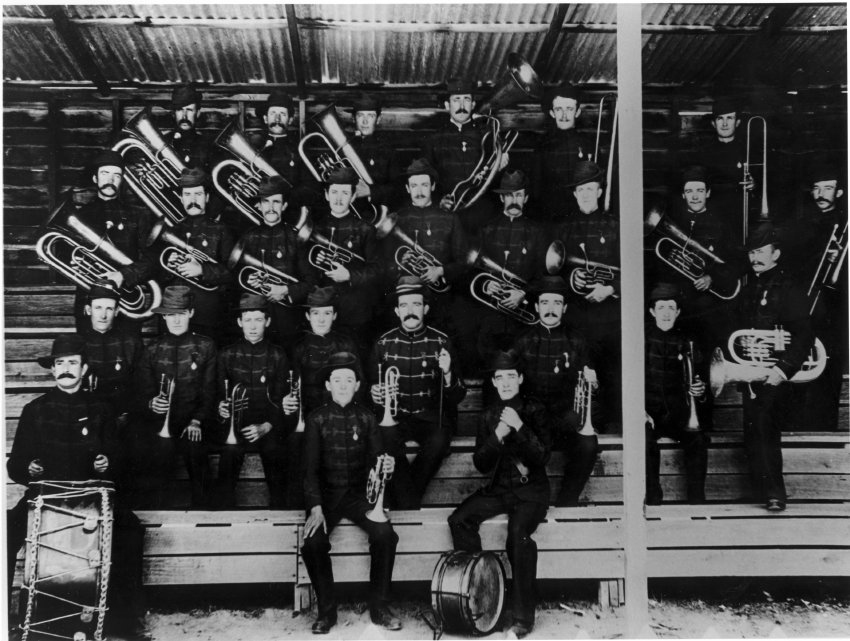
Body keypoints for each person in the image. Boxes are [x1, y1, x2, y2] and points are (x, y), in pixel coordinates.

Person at [6, 335, 148, 639]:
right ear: (53, 370)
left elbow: (120, 461)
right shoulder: (36, 410)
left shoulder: (102, 408)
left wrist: (106, 463)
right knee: (5, 530)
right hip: (47, 495)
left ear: (84, 370)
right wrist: (27, 468)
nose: (66, 369)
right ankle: (8, 619)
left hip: (93, 496)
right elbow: (15, 465)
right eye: (60, 363)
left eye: (72, 362)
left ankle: (124, 623)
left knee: (132, 531)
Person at [448, 350, 551, 639]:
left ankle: (522, 617)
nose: (505, 382)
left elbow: (542, 457)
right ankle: (483, 594)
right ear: (493, 382)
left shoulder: (535, 410)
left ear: (520, 378)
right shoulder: (489, 415)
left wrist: (519, 427)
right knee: (460, 519)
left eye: (510, 376)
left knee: (517, 534)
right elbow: (481, 463)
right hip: (500, 490)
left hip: (532, 491)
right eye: (499, 377)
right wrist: (497, 436)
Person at [301, 351, 402, 634]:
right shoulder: (316, 419)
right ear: (328, 385)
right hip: (327, 498)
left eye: (349, 379)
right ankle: (326, 612)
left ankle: (379, 607)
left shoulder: (368, 418)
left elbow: (376, 461)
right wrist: (315, 507)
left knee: (385, 536)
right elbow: (309, 470)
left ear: (358, 385)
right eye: (337, 380)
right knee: (312, 544)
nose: (343, 385)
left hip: (360, 497)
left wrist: (386, 466)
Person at [737, 222, 815, 512]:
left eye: (761, 251)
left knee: (764, 427)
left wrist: (781, 370)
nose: (755, 257)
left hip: (778, 376)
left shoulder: (788, 288)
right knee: (751, 429)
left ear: (776, 254)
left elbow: (805, 336)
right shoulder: (750, 287)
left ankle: (775, 493)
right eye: (751, 252)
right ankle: (760, 492)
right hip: (754, 372)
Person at [369, 276, 466, 510]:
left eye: (416, 304)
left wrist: (448, 374)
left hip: (430, 418)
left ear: (426, 308)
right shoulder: (383, 344)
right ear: (396, 310)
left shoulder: (442, 341)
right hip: (397, 418)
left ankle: (404, 503)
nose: (410, 311)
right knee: (385, 439)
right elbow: (370, 389)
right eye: (404, 305)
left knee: (440, 440)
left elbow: (459, 394)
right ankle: (409, 504)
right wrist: (374, 393)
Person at [513, 275, 599, 507]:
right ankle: (531, 503)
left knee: (588, 444)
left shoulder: (577, 341)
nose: (551, 309)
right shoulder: (522, 341)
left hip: (565, 417)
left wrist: (593, 382)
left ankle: (566, 502)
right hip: (532, 417)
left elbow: (589, 386)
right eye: (545, 303)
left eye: (557, 303)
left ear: (565, 308)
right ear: (536, 307)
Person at [131, 286, 218, 509]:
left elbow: (210, 392)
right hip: (160, 424)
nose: (176, 320)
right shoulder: (152, 349)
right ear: (164, 317)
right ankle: (160, 518)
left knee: (196, 450)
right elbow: (141, 393)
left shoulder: (206, 346)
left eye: (181, 314)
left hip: (196, 423)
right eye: (171, 315)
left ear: (190, 313)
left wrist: (197, 420)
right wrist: (151, 403)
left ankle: (204, 514)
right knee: (158, 452)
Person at [648, 166, 739, 379]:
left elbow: (736, 262)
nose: (695, 196)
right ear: (683, 194)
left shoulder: (722, 225)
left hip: (708, 310)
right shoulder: (675, 221)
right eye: (690, 191)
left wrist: (711, 277)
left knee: (703, 365)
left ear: (707, 193)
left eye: (699, 190)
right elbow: (663, 263)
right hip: (680, 309)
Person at [557, 161, 621, 432]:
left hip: (609, 317)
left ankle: (612, 427)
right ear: (574, 194)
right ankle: (583, 427)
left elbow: (634, 268)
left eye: (590, 189)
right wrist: (571, 279)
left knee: (611, 372)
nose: (585, 194)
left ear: (599, 191)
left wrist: (610, 288)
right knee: (580, 372)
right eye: (580, 189)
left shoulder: (615, 225)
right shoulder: (563, 227)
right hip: (577, 317)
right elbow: (551, 271)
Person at [785, 163, 848, 431]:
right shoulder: (800, 225)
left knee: (829, 366)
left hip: (835, 309)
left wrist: (840, 261)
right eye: (817, 188)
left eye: (829, 188)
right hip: (805, 305)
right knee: (801, 361)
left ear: (840, 192)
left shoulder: (846, 223)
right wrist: (821, 256)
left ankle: (825, 427)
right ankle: (797, 427)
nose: (822, 193)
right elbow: (792, 265)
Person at [216, 293, 293, 508]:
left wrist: (267, 426)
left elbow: (281, 397)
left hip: (268, 425)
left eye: (258, 319)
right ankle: (224, 515)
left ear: (267, 322)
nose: (253, 326)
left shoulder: (278, 355)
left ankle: (279, 514)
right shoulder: (226, 354)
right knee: (229, 454)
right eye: (247, 320)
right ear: (239, 322)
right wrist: (221, 408)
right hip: (236, 426)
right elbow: (219, 395)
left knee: (275, 452)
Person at [380, 157, 470, 332]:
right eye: (414, 186)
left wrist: (440, 270)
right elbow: (383, 264)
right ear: (407, 188)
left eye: (424, 185)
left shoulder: (450, 218)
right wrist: (399, 266)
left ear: (433, 187)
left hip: (441, 301)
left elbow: (463, 261)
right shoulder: (397, 219)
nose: (419, 191)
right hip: (407, 300)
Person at [73, 149, 155, 333]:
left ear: (122, 180)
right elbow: (66, 254)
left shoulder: (137, 216)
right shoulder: (80, 216)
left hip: (125, 303)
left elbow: (152, 259)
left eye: (116, 175)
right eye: (104, 174)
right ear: (95, 179)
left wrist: (124, 275)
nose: (110, 180)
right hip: (89, 302)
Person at [474, 169, 549, 369]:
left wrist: (523, 292)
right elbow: (472, 271)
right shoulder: (487, 230)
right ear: (501, 199)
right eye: (509, 195)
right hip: (492, 318)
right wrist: (486, 283)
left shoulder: (538, 232)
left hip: (523, 318)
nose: (514, 200)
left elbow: (544, 276)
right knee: (491, 372)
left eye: (518, 195)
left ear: (526, 198)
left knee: (525, 368)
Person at [644, 283, 711, 505]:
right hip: (647, 414)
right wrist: (639, 411)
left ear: (678, 312)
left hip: (678, 414)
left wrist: (700, 392)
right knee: (643, 441)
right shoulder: (639, 340)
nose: (666, 313)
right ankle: (653, 498)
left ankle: (697, 500)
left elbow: (701, 382)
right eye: (661, 307)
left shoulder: (688, 342)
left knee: (698, 439)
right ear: (652, 311)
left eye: (671, 308)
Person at [304, 166, 381, 351]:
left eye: (345, 193)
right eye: (334, 192)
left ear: (353, 196)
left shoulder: (365, 229)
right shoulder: (314, 229)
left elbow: (377, 270)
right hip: (323, 312)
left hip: (355, 311)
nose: (339, 198)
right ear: (327, 194)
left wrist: (349, 276)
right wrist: (318, 261)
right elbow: (306, 271)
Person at [232, 174, 314, 348]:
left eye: (276, 202)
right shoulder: (248, 237)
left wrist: (286, 290)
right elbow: (236, 281)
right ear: (259, 205)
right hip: (256, 325)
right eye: (266, 202)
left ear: (284, 206)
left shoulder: (295, 238)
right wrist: (249, 282)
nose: (271, 207)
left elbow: (311, 282)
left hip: (288, 324)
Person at [156, 167, 234, 344]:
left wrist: (201, 271)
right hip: (175, 313)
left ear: (206, 198)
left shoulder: (221, 230)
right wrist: (169, 266)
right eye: (188, 195)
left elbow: (231, 273)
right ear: (182, 199)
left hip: (207, 314)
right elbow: (159, 274)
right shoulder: (171, 231)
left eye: (198, 194)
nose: (193, 200)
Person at [421, 78, 505, 234]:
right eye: (456, 100)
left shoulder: (486, 136)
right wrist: (439, 200)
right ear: (447, 105)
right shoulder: (434, 139)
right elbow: (425, 177)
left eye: (467, 100)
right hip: (448, 215)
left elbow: (496, 183)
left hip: (483, 216)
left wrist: (499, 168)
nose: (461, 106)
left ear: (473, 105)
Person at [288, 286, 359, 417]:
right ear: (307, 316)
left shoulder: (346, 344)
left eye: (327, 313)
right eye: (315, 313)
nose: (321, 320)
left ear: (334, 316)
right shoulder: (299, 348)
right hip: (308, 415)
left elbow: (359, 384)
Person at [533, 82, 593, 222]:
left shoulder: (588, 145)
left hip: (581, 218)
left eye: (569, 109)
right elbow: (536, 189)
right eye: (559, 109)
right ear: (552, 113)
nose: (564, 115)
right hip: (551, 218)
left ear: (577, 112)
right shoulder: (542, 146)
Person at [346, 93, 400, 211]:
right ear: (353, 118)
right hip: (347, 213)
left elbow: (397, 188)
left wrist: (370, 191)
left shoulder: (388, 150)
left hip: (374, 213)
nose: (365, 121)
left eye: (370, 116)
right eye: (360, 115)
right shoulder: (343, 147)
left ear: (378, 119)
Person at [163, 84, 210, 170]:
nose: (184, 117)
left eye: (189, 110)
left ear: (198, 113)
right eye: (180, 110)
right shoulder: (163, 142)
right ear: (173, 113)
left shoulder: (207, 145)